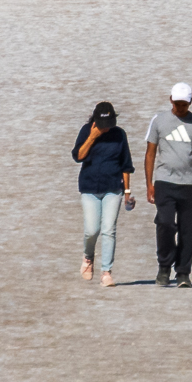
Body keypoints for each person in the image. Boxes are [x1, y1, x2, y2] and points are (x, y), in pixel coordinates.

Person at [142, 83, 192, 288]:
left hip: (190, 184)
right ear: (170, 100)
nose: (180, 107)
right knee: (165, 223)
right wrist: (149, 184)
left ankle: (183, 272)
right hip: (164, 181)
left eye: (184, 103)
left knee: (187, 230)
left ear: (190, 102)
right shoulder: (159, 120)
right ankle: (164, 267)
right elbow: (150, 153)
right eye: (177, 103)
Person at [73, 101, 134, 287]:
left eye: (109, 125)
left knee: (109, 230)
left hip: (113, 188)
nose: (106, 129)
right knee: (92, 230)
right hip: (89, 188)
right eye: (103, 125)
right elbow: (78, 156)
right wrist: (92, 137)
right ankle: (88, 257)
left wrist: (127, 193)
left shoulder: (119, 134)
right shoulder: (86, 130)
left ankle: (106, 272)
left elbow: (126, 165)